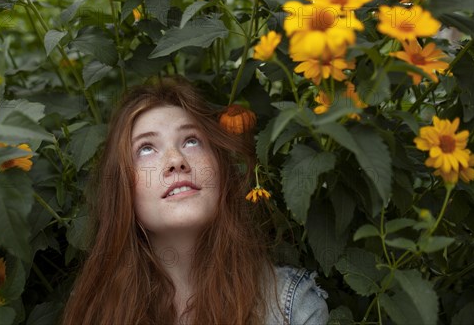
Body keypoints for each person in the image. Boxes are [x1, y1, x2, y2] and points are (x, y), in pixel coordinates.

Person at [62, 76, 329, 325]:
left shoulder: (291, 308)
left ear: (221, 168)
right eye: (146, 148)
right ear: (121, 189)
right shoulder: (95, 310)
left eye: (191, 141)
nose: (176, 161)